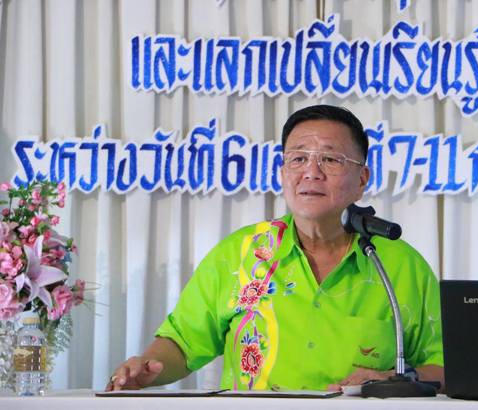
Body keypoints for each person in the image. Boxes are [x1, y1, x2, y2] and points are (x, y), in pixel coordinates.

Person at [106, 104, 444, 392]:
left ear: (362, 179)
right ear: (282, 173)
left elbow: (446, 364)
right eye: (298, 158)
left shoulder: (400, 266)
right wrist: (146, 369)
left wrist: (398, 379)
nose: (311, 172)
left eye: (330, 159)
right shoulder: (239, 255)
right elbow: (183, 343)